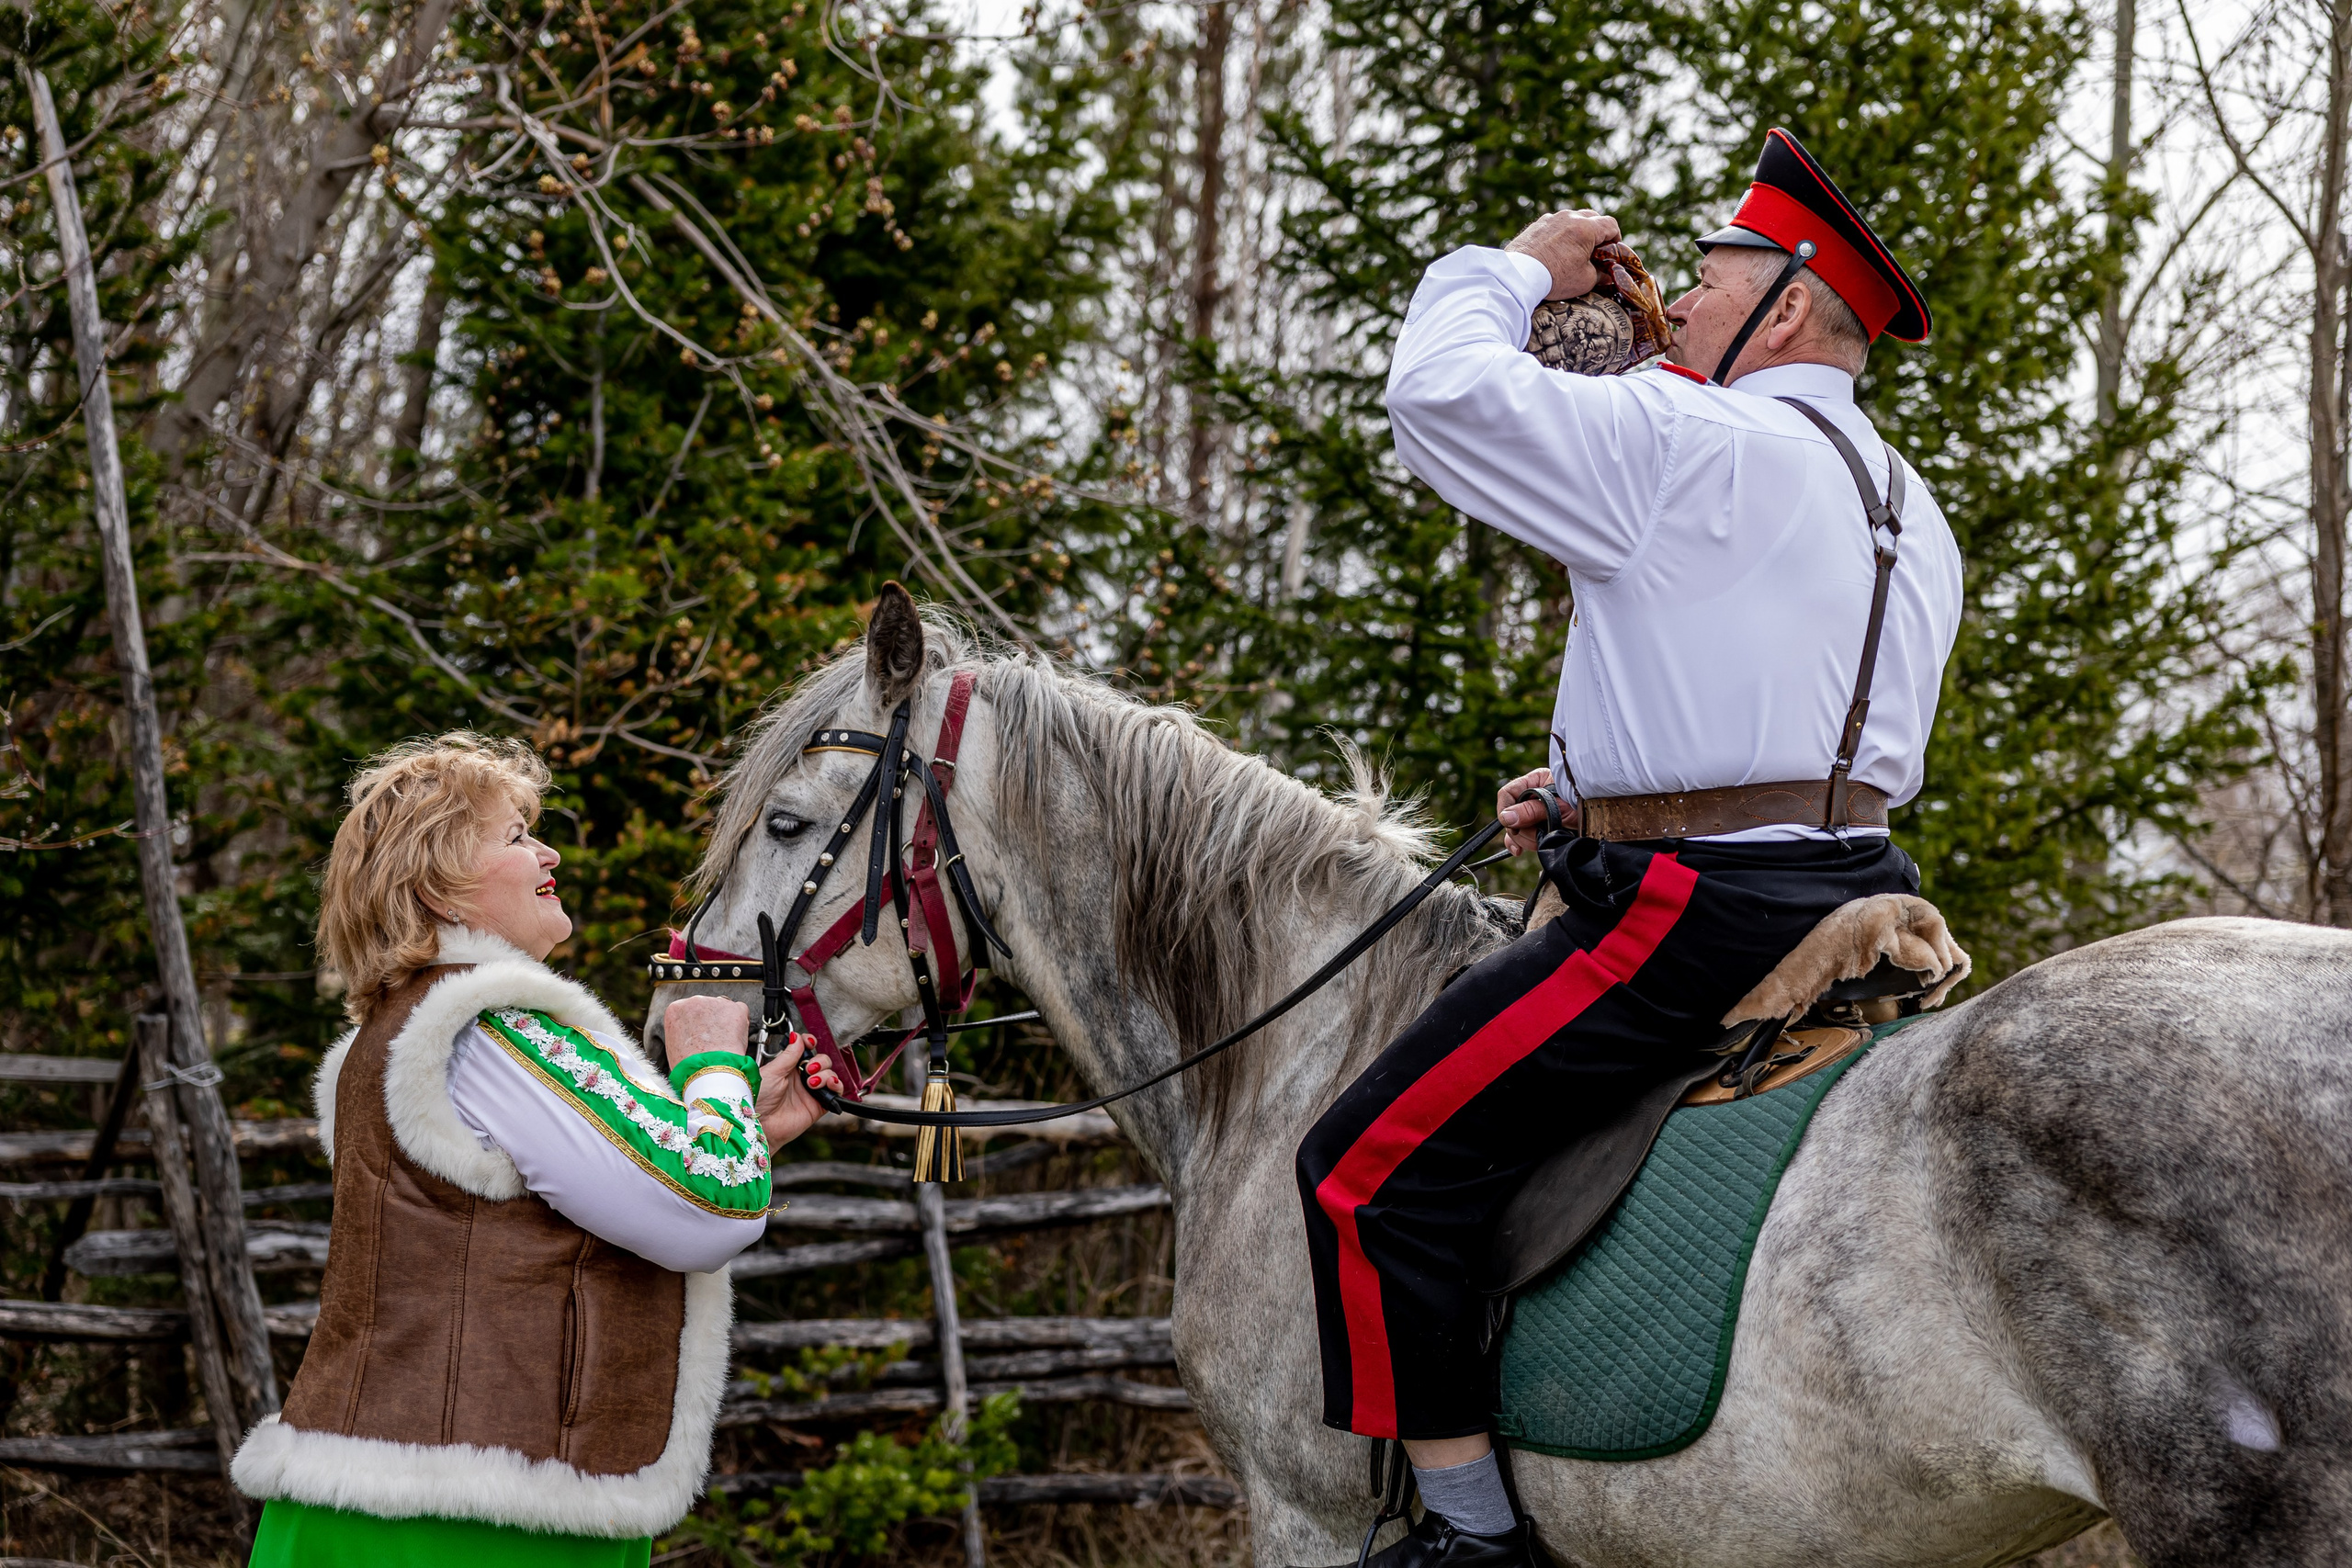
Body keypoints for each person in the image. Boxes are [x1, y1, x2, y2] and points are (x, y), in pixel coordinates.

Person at [1294, 128, 1965, 1567]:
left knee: (1363, 1166)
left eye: (1715, 276)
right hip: (1854, 885)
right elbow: (1780, 709)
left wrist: (1514, 268)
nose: (1685, 301)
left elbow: (1438, 395)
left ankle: (1473, 1536)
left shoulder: (1698, 441)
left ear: (1787, 303)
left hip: (1696, 916)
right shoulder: (1912, 502)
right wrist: (1593, 789)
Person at [232, 733, 841, 1566]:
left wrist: (748, 1126)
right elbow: (708, 1208)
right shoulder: (487, 1028)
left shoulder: (404, 1035)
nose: (548, 849)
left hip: (394, 1499)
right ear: (435, 883)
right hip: (473, 1523)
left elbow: (560, 1211)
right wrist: (710, 1067)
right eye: (516, 835)